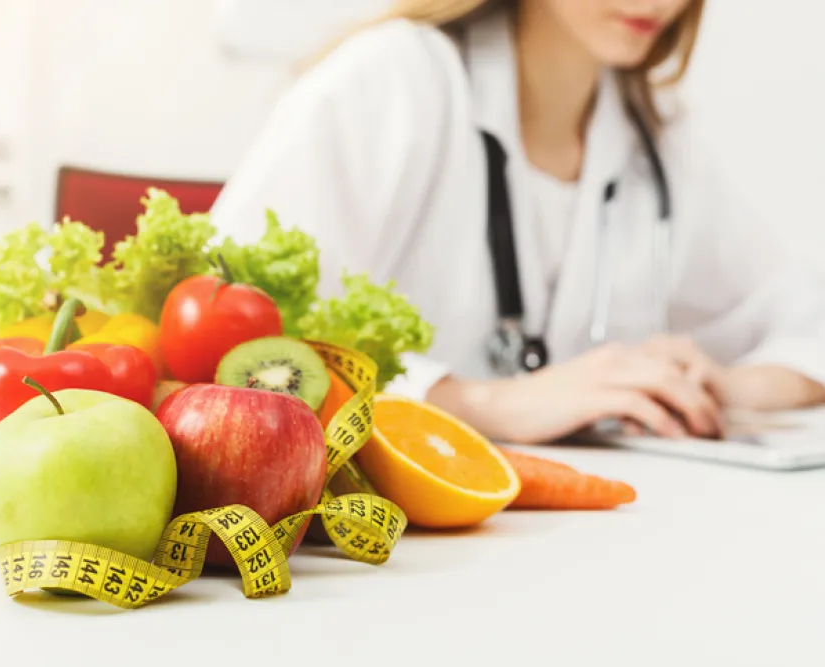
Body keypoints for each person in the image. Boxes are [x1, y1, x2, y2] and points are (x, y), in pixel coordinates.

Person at [209, 0, 825, 444]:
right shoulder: (390, 79)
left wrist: (716, 386)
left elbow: (807, 321)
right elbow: (224, 333)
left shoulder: (654, 134)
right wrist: (482, 403)